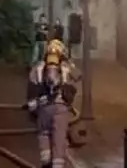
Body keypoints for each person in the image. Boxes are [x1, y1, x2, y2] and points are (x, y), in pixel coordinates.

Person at [24, 39, 80, 168]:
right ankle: (57, 164)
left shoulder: (38, 68)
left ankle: (46, 161)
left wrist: (32, 108)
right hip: (61, 109)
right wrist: (69, 62)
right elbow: (78, 76)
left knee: (43, 134)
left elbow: (31, 91)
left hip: (43, 109)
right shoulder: (66, 67)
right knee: (59, 139)